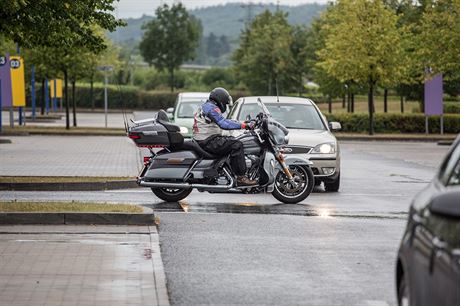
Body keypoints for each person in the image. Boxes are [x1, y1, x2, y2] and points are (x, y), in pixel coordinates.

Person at [193, 87, 257, 186]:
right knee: (237, 145)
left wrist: (243, 123)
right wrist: (244, 126)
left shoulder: (207, 106)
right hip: (208, 141)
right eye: (225, 102)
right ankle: (241, 177)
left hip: (205, 139)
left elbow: (225, 120)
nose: (225, 105)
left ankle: (228, 170)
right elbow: (223, 124)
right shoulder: (211, 108)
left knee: (232, 140)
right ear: (220, 99)